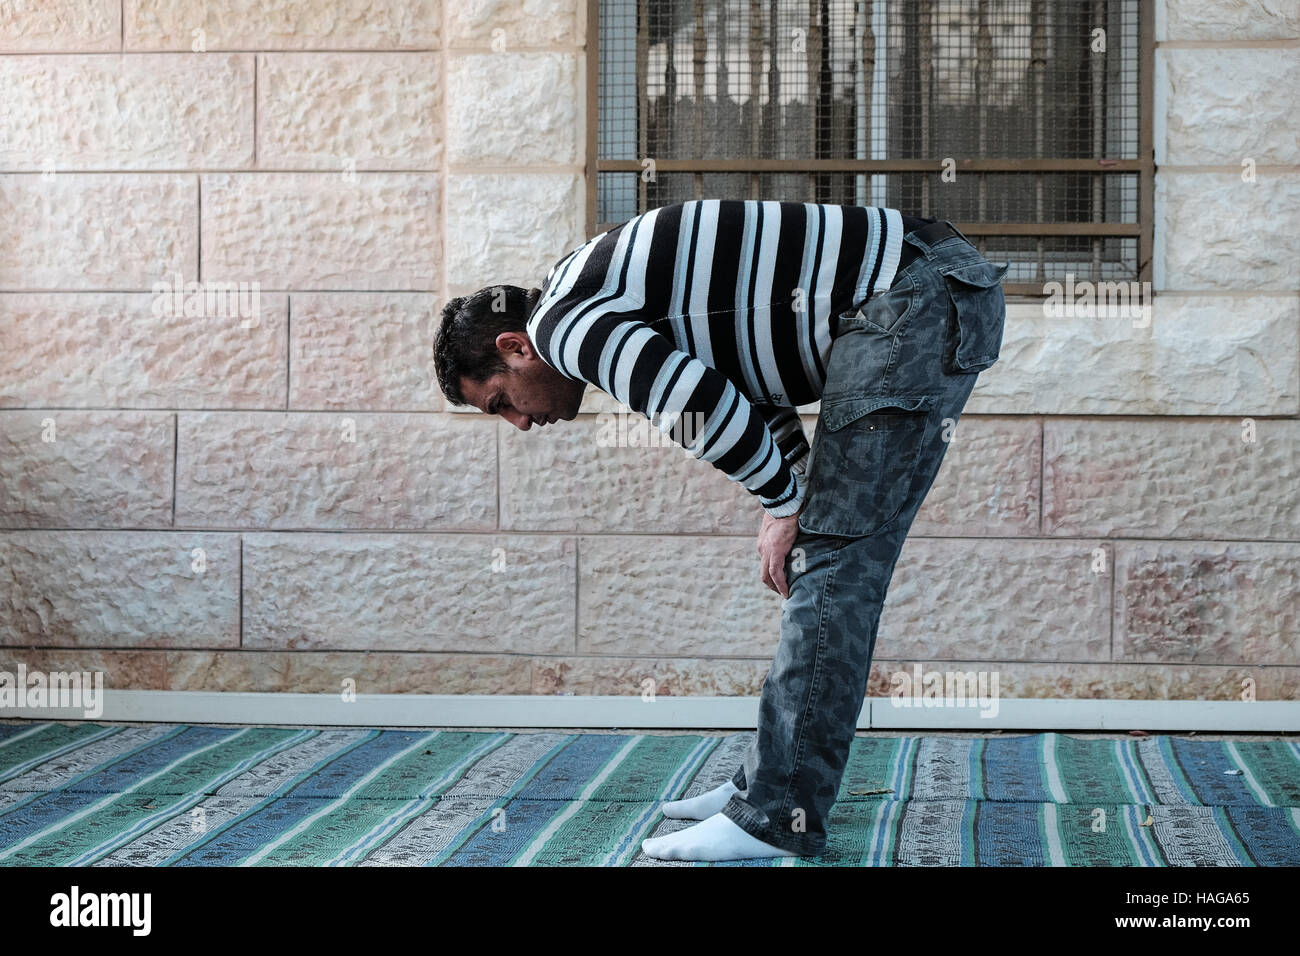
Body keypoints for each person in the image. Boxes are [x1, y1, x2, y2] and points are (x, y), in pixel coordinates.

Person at [433, 199, 1007, 861]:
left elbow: (699, 409)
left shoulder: (566, 326)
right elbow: (747, 383)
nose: (521, 424)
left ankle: (773, 817)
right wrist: (788, 493)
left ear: (514, 347)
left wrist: (784, 504)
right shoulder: (589, 295)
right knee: (821, 554)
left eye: (502, 401)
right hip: (915, 286)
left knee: (835, 562)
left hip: (910, 294)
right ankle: (766, 784)